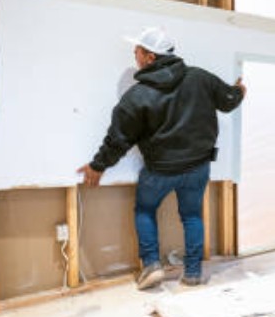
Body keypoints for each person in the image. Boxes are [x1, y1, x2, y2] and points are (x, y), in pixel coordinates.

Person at [77, 27, 245, 289]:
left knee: (145, 210)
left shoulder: (137, 96)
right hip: (198, 166)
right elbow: (228, 100)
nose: (135, 56)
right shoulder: (199, 78)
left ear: (150, 57)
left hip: (160, 172)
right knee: (191, 216)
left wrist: (98, 166)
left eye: (138, 52)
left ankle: (152, 266)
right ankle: (192, 273)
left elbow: (118, 139)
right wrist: (239, 91)